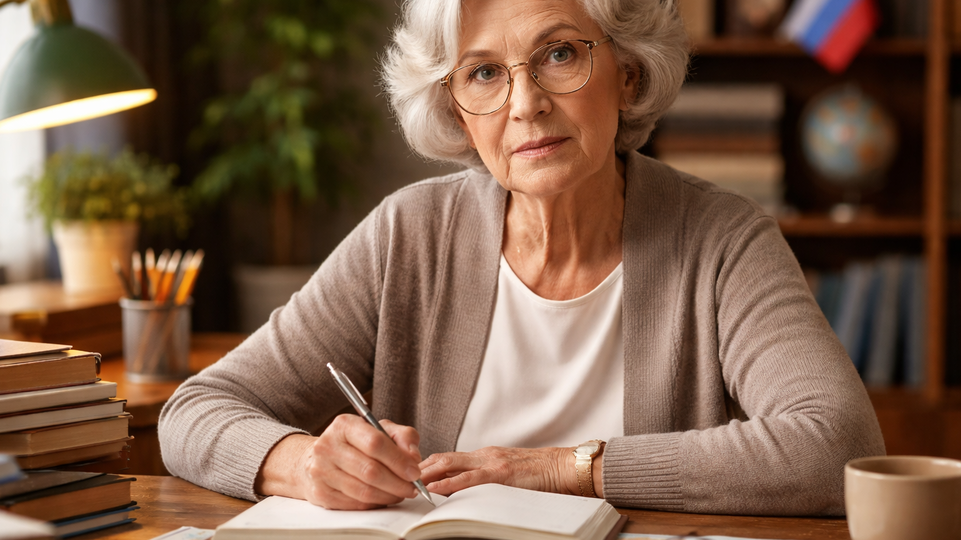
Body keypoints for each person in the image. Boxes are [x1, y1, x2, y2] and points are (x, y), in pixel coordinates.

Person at [159, 0, 885, 516]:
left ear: (627, 72)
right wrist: (301, 464)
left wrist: (559, 469)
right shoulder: (409, 235)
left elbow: (836, 445)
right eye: (483, 73)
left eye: (560, 54)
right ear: (454, 112)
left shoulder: (724, 240)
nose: (525, 102)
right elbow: (192, 412)